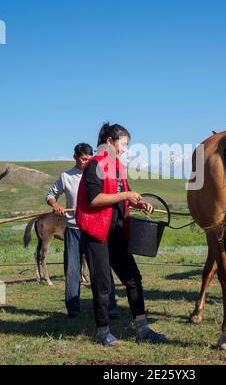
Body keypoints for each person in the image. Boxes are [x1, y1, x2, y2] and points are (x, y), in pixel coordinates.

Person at [76, 123, 167, 346]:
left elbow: (119, 199)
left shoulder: (118, 167)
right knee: (103, 284)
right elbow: (96, 199)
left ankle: (142, 329)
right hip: (97, 233)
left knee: (133, 278)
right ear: (109, 142)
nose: (125, 149)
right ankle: (103, 333)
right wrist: (126, 194)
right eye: (123, 144)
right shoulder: (95, 166)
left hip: (117, 232)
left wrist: (137, 203)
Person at [46, 143, 119, 319]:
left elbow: (113, 193)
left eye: (89, 159)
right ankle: (73, 310)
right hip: (73, 228)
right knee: (72, 270)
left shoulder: (98, 173)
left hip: (95, 228)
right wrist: (55, 204)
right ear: (75, 157)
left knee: (102, 269)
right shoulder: (66, 177)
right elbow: (50, 194)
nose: (86, 162)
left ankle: (111, 307)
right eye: (83, 159)